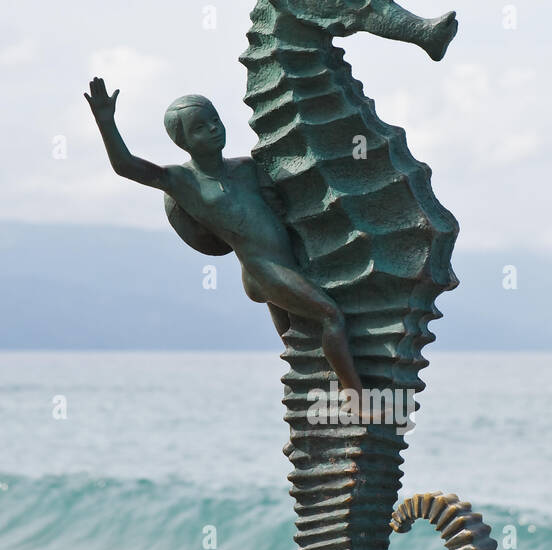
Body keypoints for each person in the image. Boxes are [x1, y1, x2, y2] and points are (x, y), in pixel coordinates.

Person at [84, 78, 362, 394]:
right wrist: (105, 121)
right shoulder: (182, 181)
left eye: (215, 120)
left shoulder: (248, 167)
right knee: (330, 316)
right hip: (263, 270)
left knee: (301, 346)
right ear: (183, 141)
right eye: (201, 127)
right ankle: (356, 397)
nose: (214, 128)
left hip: (286, 262)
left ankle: (317, 396)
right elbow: (126, 166)